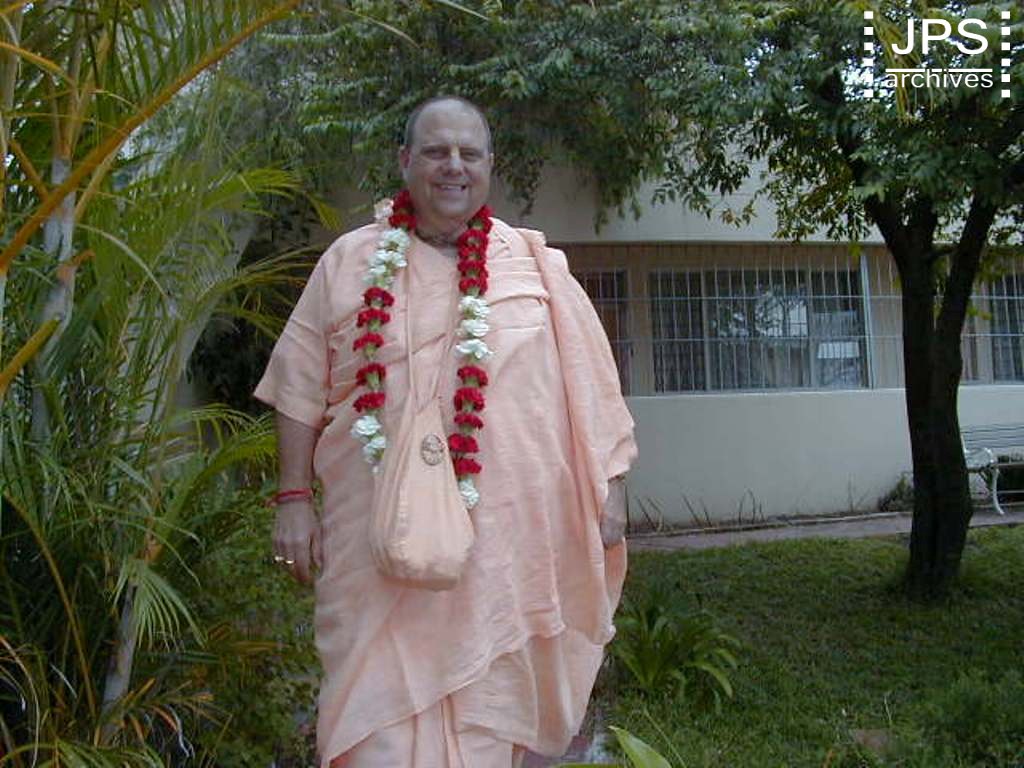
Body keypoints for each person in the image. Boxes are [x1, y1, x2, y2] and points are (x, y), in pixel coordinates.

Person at [254, 95, 637, 768]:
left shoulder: (532, 265)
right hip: (375, 546)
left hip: (509, 546)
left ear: (489, 165)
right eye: (435, 151)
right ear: (405, 161)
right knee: (373, 728)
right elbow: (298, 385)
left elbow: (592, 386)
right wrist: (291, 500)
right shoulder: (349, 262)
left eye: (469, 153)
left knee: (494, 714)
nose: (452, 166)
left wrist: (612, 488)